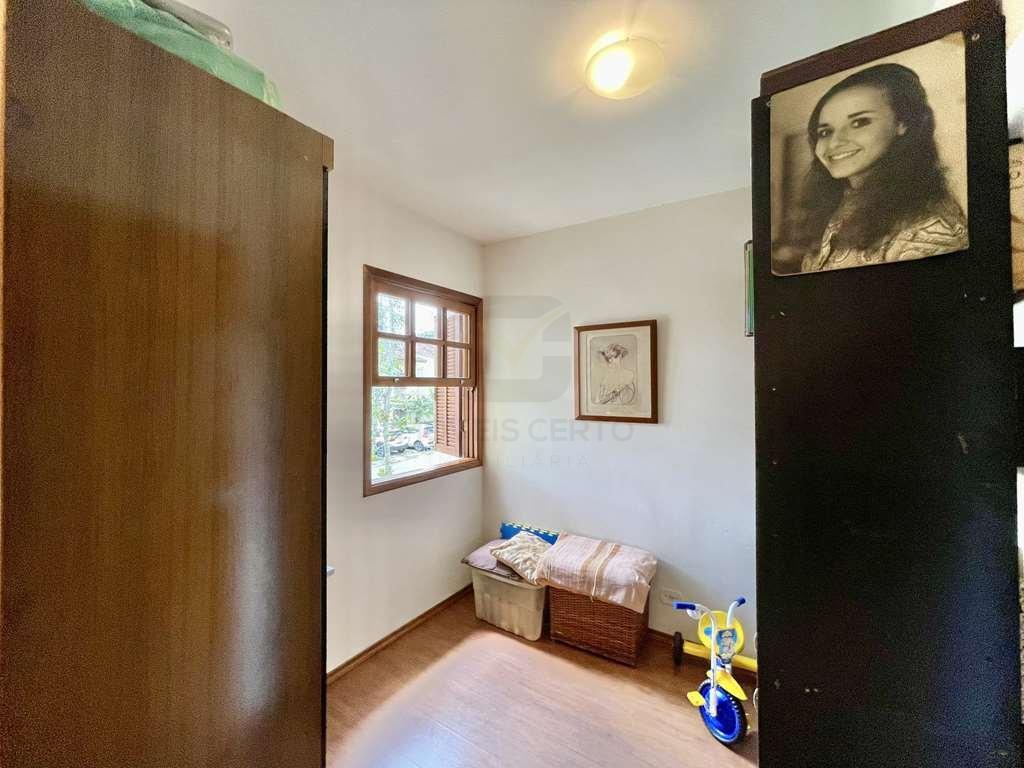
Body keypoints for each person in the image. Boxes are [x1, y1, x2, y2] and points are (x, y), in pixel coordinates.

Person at [794, 63, 967, 273]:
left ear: (902, 123)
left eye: (859, 122)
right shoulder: (840, 201)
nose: (834, 143)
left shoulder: (926, 229)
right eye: (825, 132)